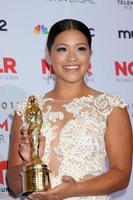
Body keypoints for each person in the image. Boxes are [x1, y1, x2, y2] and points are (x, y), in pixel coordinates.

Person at [7, 19, 132, 200]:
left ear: (90, 54)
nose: (72, 58)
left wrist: (74, 189)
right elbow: (13, 186)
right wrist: (29, 164)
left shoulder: (110, 106)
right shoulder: (27, 109)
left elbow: (121, 176)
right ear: (49, 56)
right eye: (62, 49)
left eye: (80, 49)